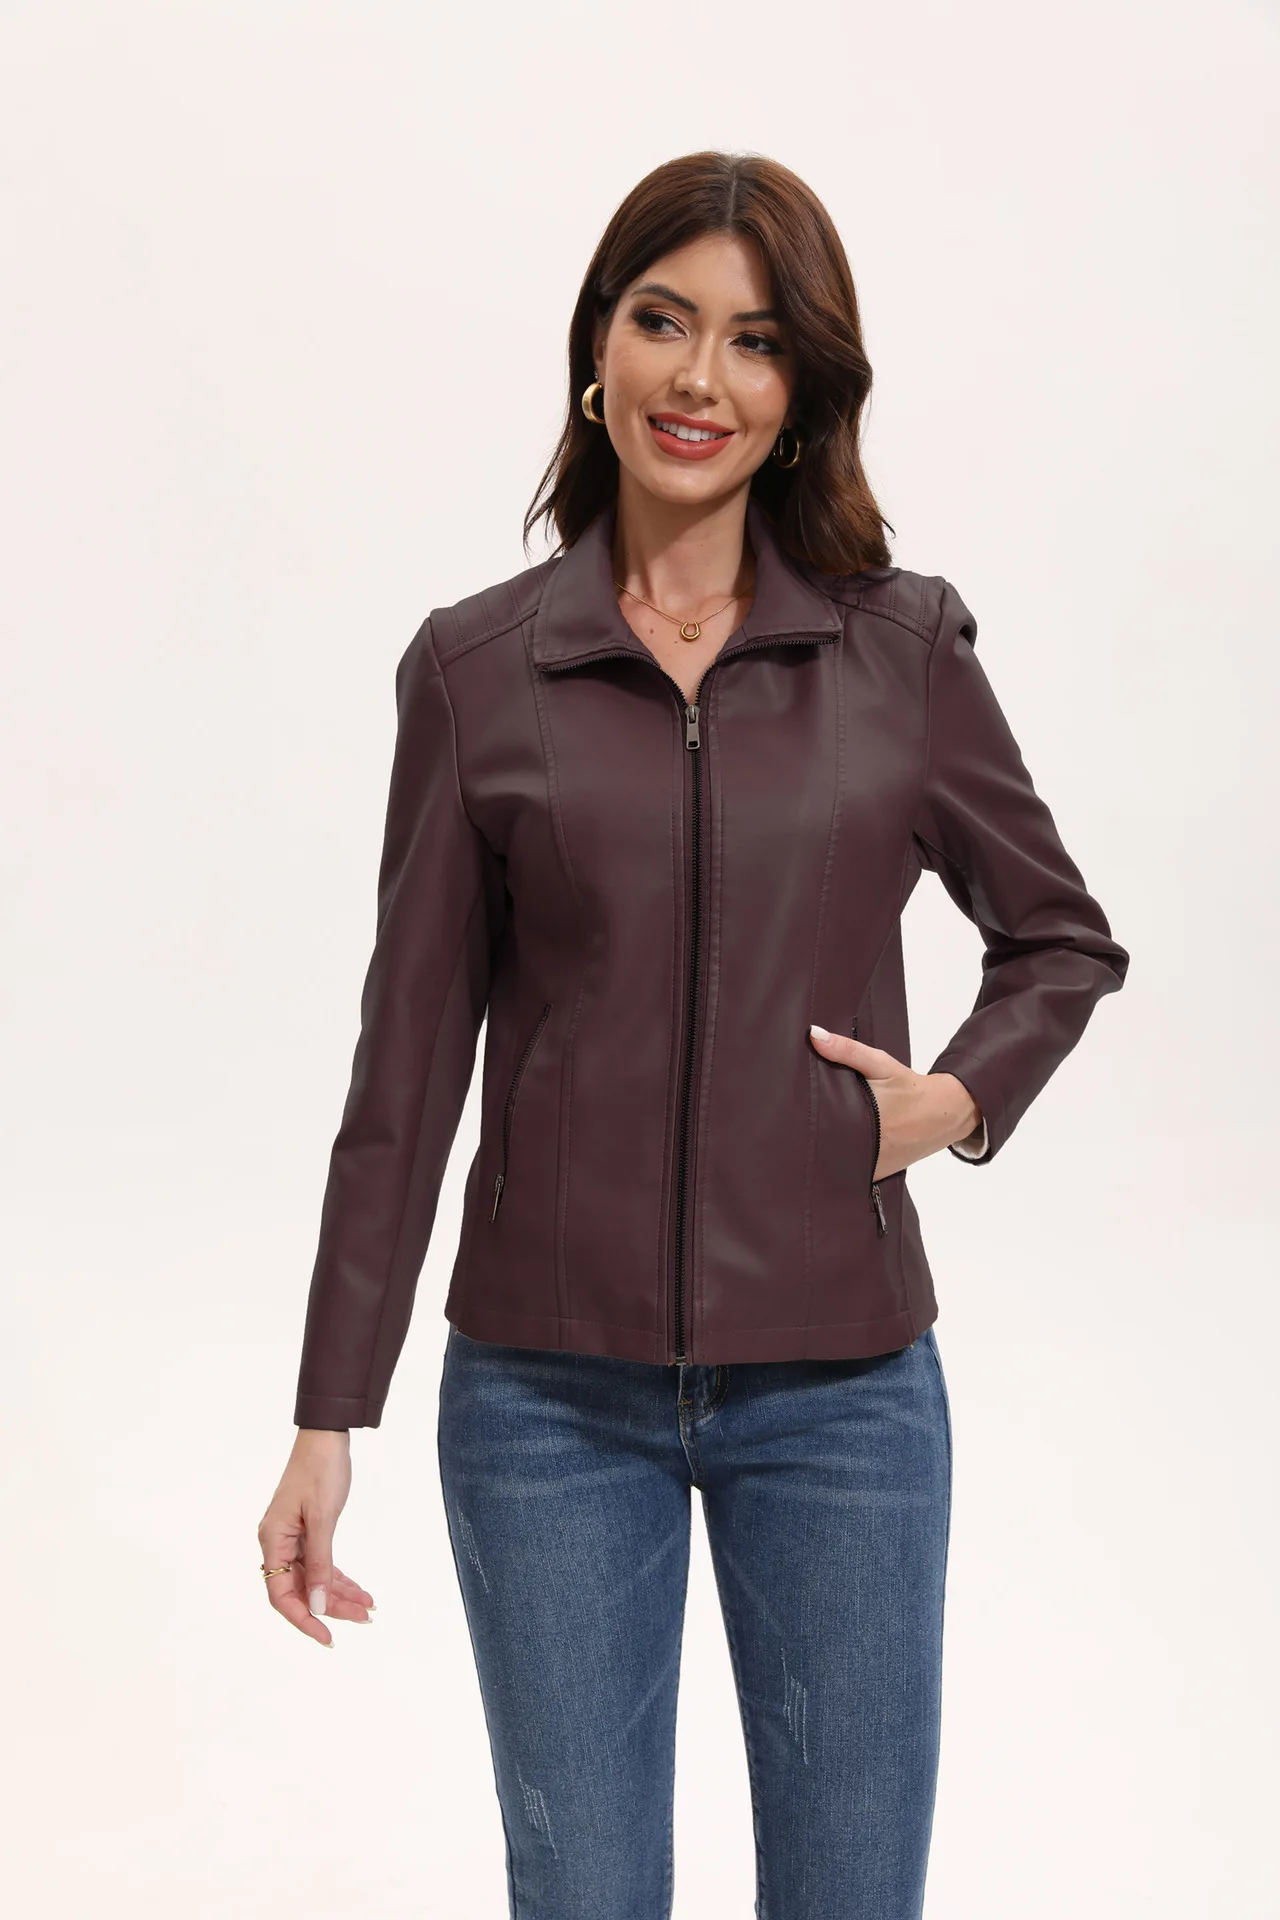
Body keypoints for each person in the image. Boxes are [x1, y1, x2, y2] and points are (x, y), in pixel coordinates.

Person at [258, 150, 1129, 1918]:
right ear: (600, 344)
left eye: (754, 341)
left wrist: (956, 1101)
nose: (701, 379)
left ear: (802, 391)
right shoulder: (476, 671)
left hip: (845, 1394)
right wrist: (329, 1409)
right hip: (543, 1400)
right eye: (665, 322)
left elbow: (1060, 939)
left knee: (850, 1895)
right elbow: (404, 1071)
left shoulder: (900, 652)